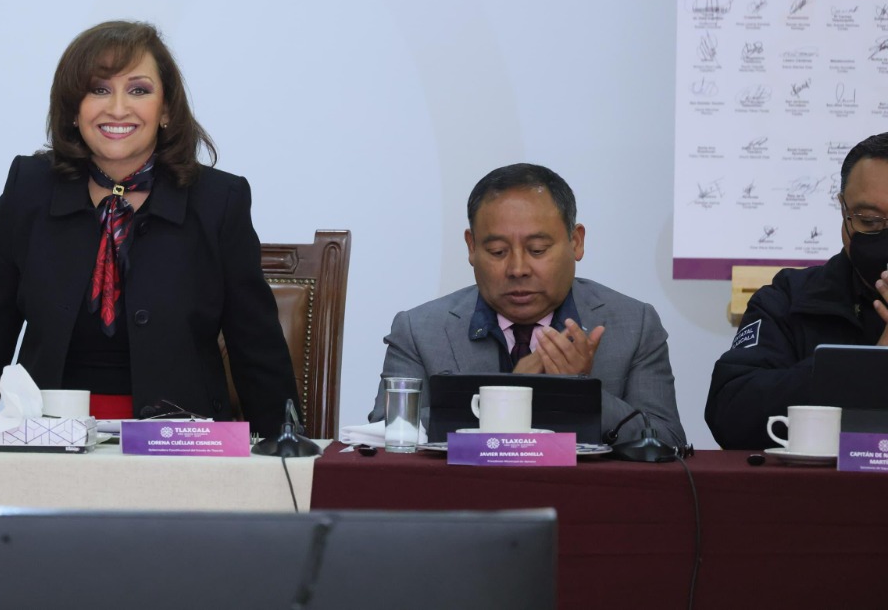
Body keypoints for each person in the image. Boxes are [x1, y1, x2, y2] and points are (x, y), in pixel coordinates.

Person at [0, 20, 298, 436]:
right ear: (73, 109)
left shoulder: (218, 200)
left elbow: (255, 344)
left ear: (166, 110)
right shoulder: (30, 188)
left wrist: (285, 445)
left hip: (180, 441)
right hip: (49, 437)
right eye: (99, 89)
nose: (117, 109)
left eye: (138, 90)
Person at [368, 163, 685, 444]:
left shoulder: (634, 325)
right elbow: (384, 437)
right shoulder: (420, 330)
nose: (518, 269)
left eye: (537, 250)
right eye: (497, 252)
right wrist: (508, 394)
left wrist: (581, 394)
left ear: (576, 242)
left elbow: (668, 442)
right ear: (471, 247)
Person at [706, 132, 888, 449]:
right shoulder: (789, 298)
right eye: (869, 221)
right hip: (824, 481)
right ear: (843, 210)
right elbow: (731, 413)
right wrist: (862, 367)